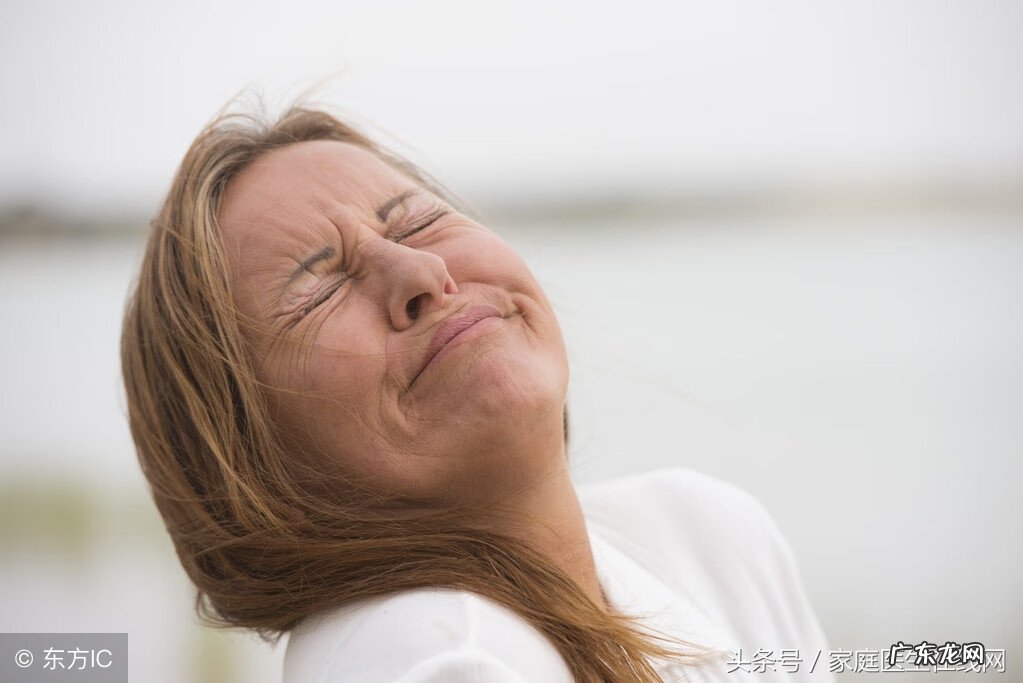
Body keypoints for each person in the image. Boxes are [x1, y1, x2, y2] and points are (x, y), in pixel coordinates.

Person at [121, 103, 832, 682]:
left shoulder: (707, 535)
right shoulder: (427, 655)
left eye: (416, 220)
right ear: (246, 462)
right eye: (319, 286)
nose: (422, 272)